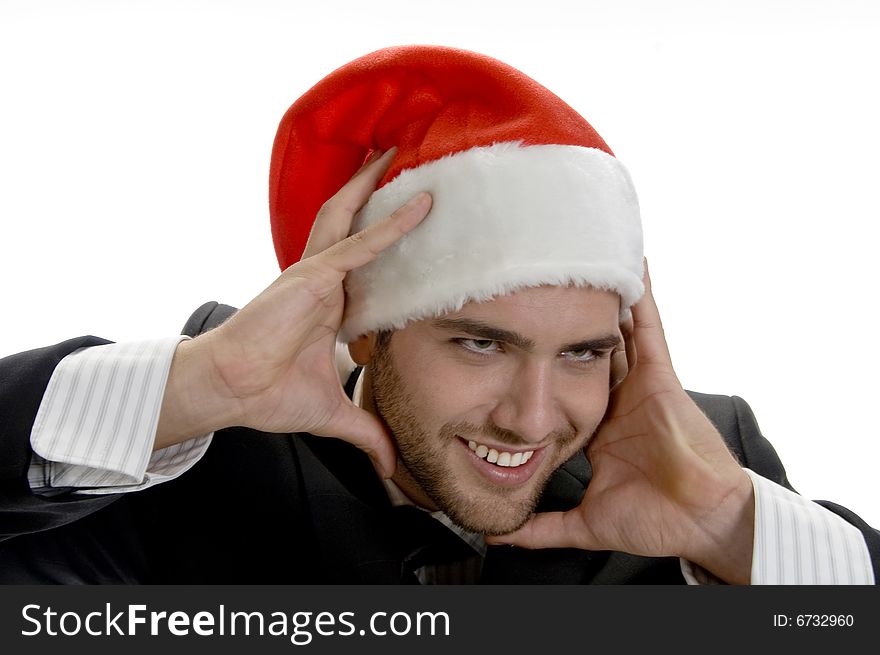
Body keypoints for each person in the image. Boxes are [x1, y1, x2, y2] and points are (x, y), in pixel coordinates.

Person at [0, 45, 876, 585]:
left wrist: (731, 529)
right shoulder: (198, 444)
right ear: (369, 324)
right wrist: (201, 384)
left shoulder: (706, 458)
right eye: (481, 341)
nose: (534, 418)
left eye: (581, 352)